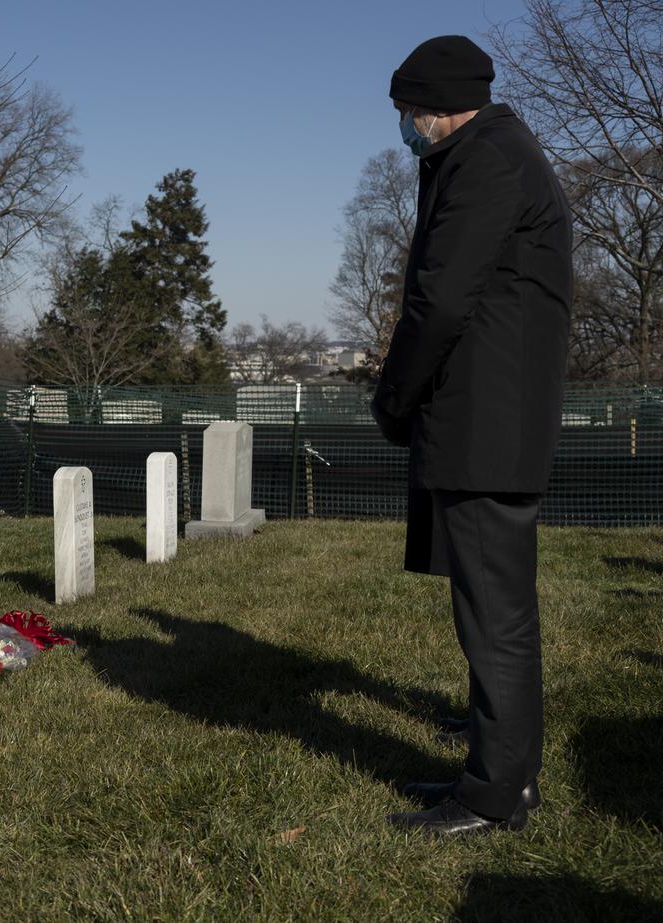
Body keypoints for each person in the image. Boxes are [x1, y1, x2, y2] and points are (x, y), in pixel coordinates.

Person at [371, 35, 573, 836]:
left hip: (487, 420)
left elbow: (441, 300)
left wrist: (394, 397)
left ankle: (497, 794)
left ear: (433, 107)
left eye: (405, 112)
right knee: (491, 607)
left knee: (496, 615)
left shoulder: (487, 161)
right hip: (490, 417)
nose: (404, 127)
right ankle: (499, 755)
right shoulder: (492, 153)